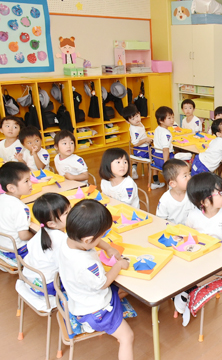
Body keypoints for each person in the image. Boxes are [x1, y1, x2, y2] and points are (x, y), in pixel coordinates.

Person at [58, 199, 133, 360]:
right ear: (87, 239)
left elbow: (93, 240)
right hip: (95, 310)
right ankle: (92, 323)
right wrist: (118, 265)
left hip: (79, 297)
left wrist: (108, 247)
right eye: (102, 235)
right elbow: (103, 283)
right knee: (127, 338)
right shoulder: (86, 264)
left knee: (127, 290)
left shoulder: (69, 238)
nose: (102, 238)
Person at [23, 193, 70, 296]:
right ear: (52, 223)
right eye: (67, 213)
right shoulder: (61, 240)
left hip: (30, 278)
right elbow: (67, 268)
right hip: (46, 286)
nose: (72, 214)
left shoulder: (43, 231)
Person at [186, 172, 222, 247]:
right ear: (205, 202)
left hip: (218, 252)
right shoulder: (192, 215)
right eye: (221, 192)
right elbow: (188, 236)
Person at [0, 162, 34, 259]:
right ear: (11, 188)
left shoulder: (2, 198)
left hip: (4, 247)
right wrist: (37, 235)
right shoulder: (20, 208)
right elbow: (23, 236)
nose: (31, 184)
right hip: (18, 251)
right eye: (26, 181)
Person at [156, 159, 195, 225]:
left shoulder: (192, 194)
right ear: (173, 184)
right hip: (172, 232)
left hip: (189, 231)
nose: (189, 177)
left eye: (189, 174)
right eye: (185, 176)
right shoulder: (165, 200)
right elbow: (160, 221)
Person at [124, 104, 152, 180]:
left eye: (137, 116)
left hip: (138, 150)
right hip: (143, 150)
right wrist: (145, 140)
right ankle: (152, 172)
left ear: (139, 113)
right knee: (155, 154)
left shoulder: (138, 123)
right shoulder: (135, 130)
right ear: (127, 121)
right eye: (133, 119)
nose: (136, 119)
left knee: (136, 158)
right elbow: (135, 143)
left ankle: (134, 169)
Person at [151, 106, 176, 189]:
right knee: (181, 163)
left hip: (156, 157)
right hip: (163, 158)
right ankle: (171, 186)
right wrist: (166, 164)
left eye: (172, 117)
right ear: (161, 120)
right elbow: (165, 150)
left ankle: (155, 182)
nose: (172, 120)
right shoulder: (166, 133)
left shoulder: (158, 129)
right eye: (169, 118)